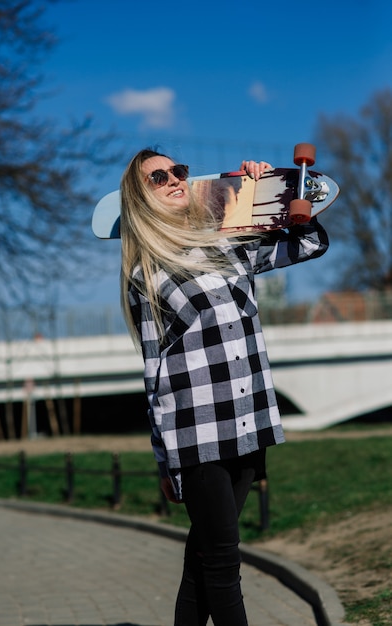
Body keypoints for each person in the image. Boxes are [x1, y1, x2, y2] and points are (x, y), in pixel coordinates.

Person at [119, 148, 329, 626]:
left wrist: (265, 194)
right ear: (139, 199)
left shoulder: (225, 242)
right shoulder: (145, 273)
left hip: (247, 419)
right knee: (222, 564)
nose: (174, 179)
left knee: (202, 563)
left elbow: (308, 244)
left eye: (179, 171)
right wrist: (164, 460)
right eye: (158, 178)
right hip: (197, 433)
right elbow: (154, 372)